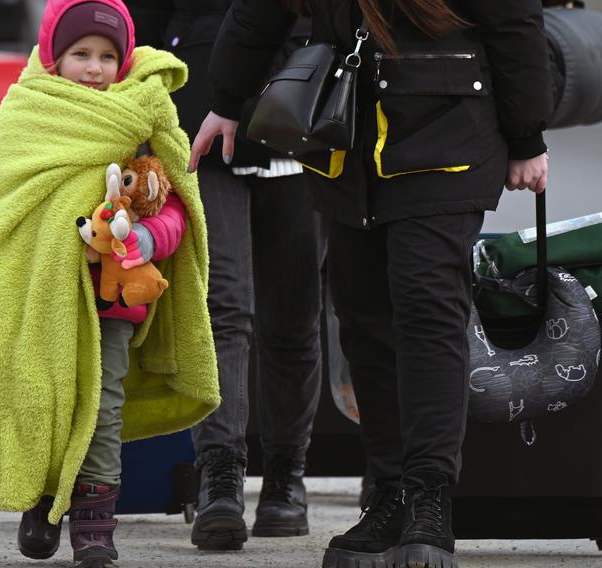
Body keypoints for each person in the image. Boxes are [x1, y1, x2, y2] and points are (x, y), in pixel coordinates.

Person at [188, 0, 552, 567]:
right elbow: (260, 9)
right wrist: (227, 103)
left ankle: (429, 500)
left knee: (427, 314)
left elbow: (515, 23)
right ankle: (387, 494)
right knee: (362, 320)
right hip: (349, 139)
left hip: (448, 134)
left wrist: (527, 135)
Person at [0, 1, 220, 567]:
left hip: (112, 302)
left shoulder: (143, 117)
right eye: (81, 55)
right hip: (38, 301)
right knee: (43, 399)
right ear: (54, 58)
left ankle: (95, 523)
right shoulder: (27, 114)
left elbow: (175, 208)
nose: (95, 68)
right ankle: (45, 496)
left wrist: (149, 240)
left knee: (102, 410)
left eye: (107, 56)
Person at [126, 0, 329, 549]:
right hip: (199, 125)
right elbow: (139, 31)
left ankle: (287, 479)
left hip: (300, 114)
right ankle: (221, 476)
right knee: (223, 306)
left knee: (293, 314)